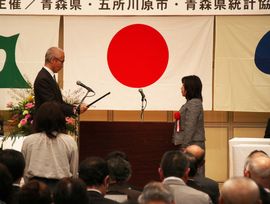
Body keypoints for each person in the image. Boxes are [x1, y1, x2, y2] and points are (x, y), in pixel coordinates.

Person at [21, 101, 79, 191]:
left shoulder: (29, 141)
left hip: (35, 188)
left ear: (38, 119)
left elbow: (24, 169)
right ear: (61, 119)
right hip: (61, 189)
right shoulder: (69, 141)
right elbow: (74, 171)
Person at [34, 46, 88, 116]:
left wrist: (75, 108)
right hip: (47, 124)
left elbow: (59, 102)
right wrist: (73, 110)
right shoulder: (43, 78)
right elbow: (52, 105)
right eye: (62, 61)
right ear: (53, 60)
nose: (62, 65)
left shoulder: (49, 76)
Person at [172, 75, 205, 152]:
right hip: (190, 143)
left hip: (193, 144)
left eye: (183, 85)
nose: (181, 88)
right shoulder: (190, 103)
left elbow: (190, 125)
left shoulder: (194, 103)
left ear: (190, 87)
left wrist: (185, 144)